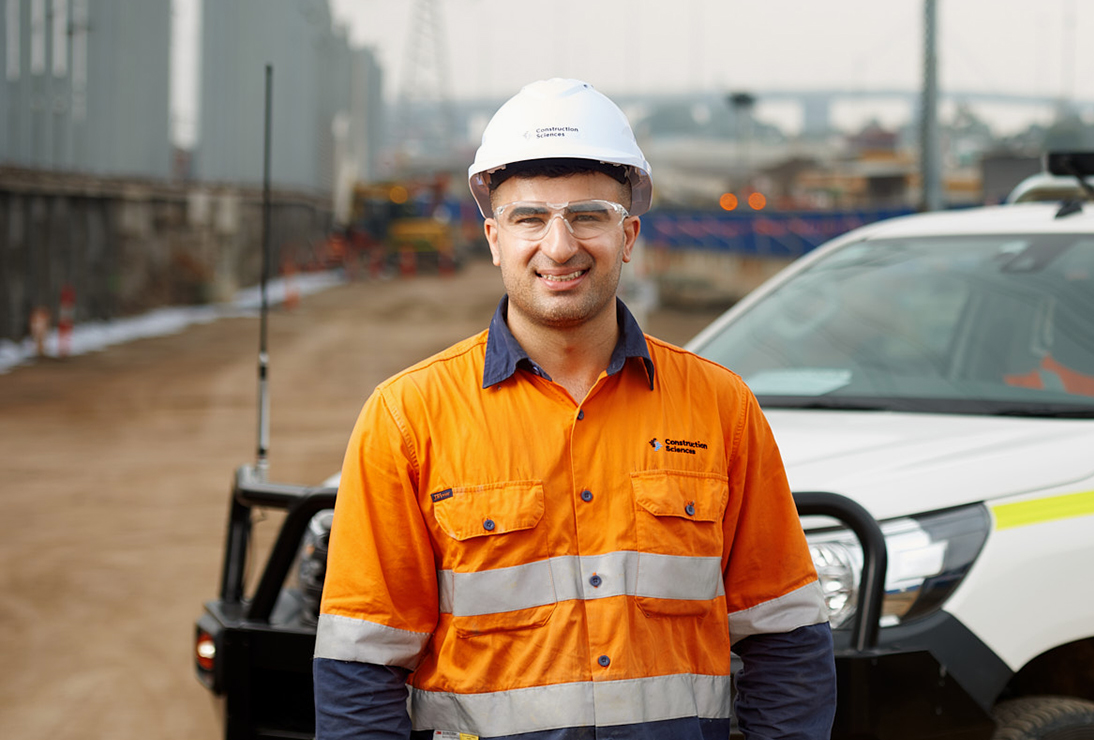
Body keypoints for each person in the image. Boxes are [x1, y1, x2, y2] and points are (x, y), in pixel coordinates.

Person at [313, 78, 834, 740]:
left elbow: (787, 639)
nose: (559, 247)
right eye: (529, 218)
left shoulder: (721, 407)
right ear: (494, 238)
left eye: (589, 215)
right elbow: (360, 668)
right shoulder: (408, 418)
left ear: (629, 235)